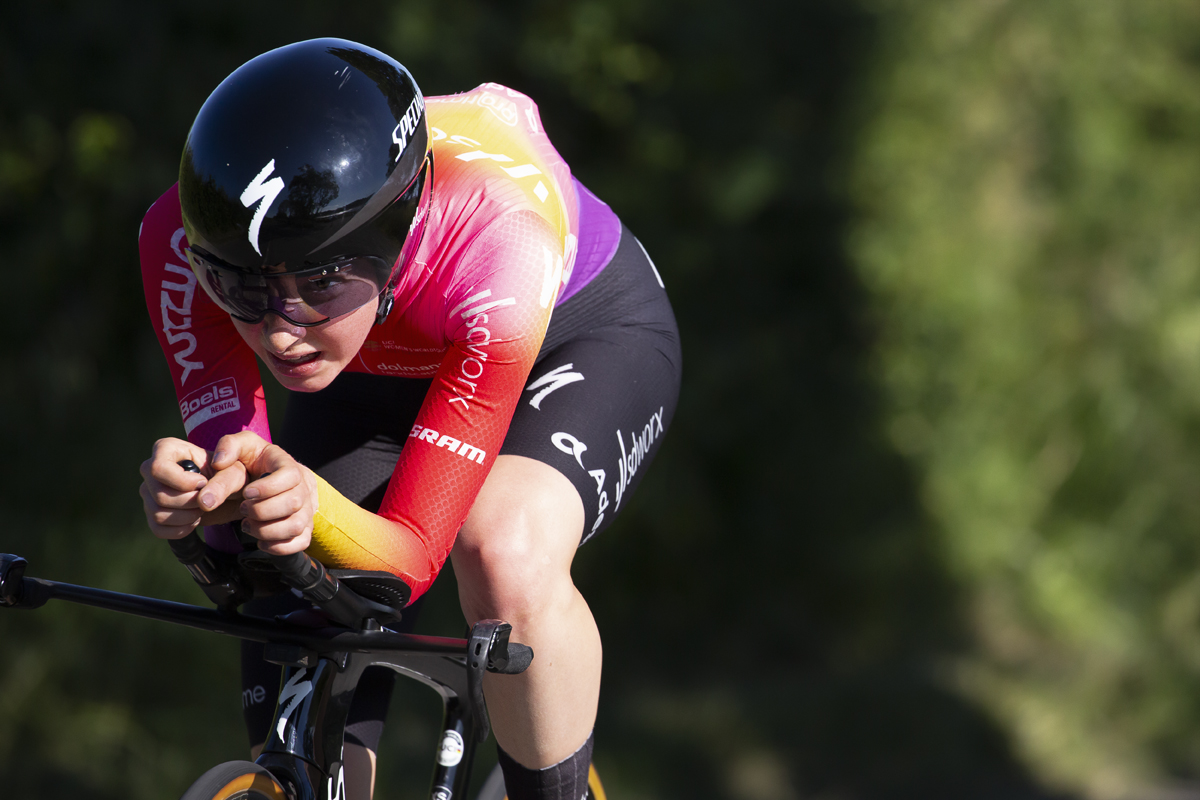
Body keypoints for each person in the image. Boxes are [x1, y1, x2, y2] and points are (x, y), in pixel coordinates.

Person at [136, 37, 680, 800]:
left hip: (571, 336)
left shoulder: (500, 244)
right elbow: (237, 539)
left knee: (502, 548)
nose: (280, 330)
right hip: (377, 363)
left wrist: (310, 506)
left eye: (317, 284)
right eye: (238, 289)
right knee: (294, 576)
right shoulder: (181, 241)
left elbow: (411, 555)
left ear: (390, 241)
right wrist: (200, 508)